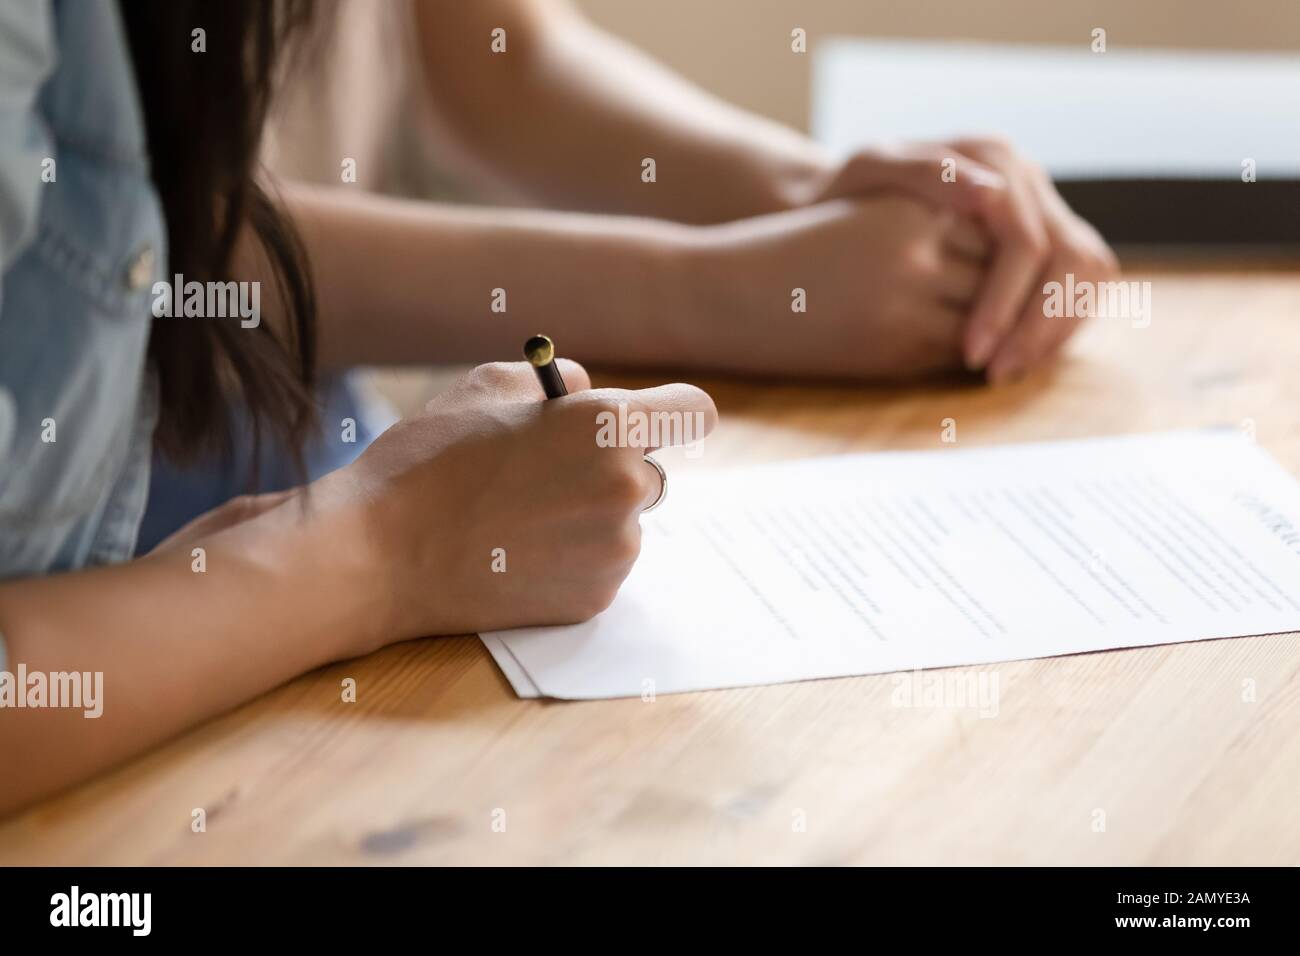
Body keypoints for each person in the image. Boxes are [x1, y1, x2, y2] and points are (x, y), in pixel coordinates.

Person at [0, 0, 1113, 814]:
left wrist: (795, 201)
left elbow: (495, 49)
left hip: (296, 541)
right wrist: (389, 541)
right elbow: (159, 245)